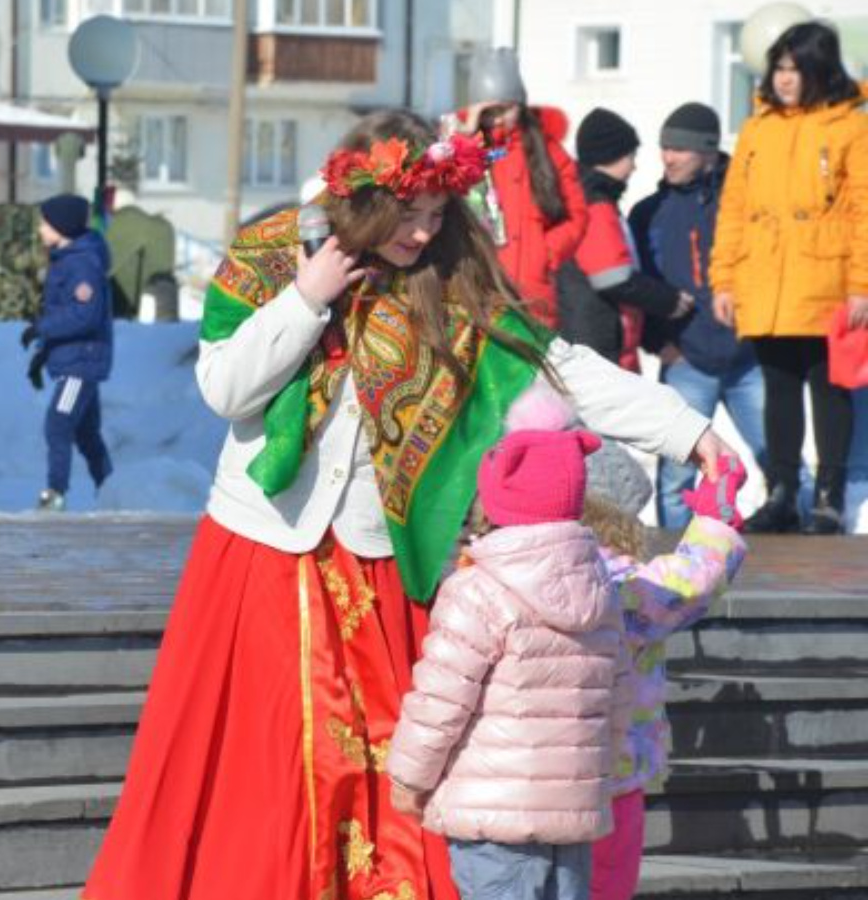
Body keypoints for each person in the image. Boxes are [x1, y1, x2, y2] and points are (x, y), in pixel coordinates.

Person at [80, 109, 734, 900]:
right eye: (409, 216)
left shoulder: (452, 282)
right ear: (364, 200)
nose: (422, 234)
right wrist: (306, 297)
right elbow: (227, 389)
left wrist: (687, 431)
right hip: (264, 551)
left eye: (435, 217)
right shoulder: (275, 251)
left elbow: (557, 365)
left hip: (385, 552)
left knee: (390, 760)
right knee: (271, 757)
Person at [389, 387, 630, 900]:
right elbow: (617, 700)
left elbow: (441, 701)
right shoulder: (600, 589)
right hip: (573, 812)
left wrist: (410, 778)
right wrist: (598, 778)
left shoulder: (478, 590)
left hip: (491, 814)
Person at [710, 21, 868, 534]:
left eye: (795, 68)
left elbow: (866, 210)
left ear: (818, 70)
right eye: (779, 67)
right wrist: (724, 280)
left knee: (830, 388)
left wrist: (861, 285)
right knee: (777, 387)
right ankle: (781, 492)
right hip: (765, 277)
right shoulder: (758, 128)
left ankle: (827, 496)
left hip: (827, 277)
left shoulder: (851, 126)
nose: (784, 78)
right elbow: (733, 207)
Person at [583, 452, 747, 900]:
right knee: (606, 884)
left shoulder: (503, 569)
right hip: (610, 774)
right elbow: (689, 583)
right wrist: (714, 522)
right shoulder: (619, 585)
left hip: (526, 778)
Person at [632, 102, 766, 529]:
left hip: (751, 358)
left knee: (778, 460)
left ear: (708, 152)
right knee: (676, 475)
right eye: (664, 147)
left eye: (679, 149)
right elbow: (640, 286)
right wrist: (659, 344)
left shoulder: (743, 202)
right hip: (685, 359)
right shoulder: (648, 212)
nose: (668, 157)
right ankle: (676, 574)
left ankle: (801, 561)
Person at [455, 48, 589, 328]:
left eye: (507, 109)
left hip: (532, 293)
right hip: (479, 289)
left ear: (522, 105)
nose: (499, 119)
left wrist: (546, 252)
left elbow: (576, 213)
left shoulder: (548, 150)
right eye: (490, 111)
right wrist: (465, 138)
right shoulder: (463, 149)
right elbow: (442, 193)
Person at [559, 108, 693, 370]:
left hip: (594, 341)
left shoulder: (584, 197)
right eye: (631, 156)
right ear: (612, 156)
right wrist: (671, 301)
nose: (634, 165)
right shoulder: (595, 205)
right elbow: (613, 277)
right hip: (599, 345)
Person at [22, 194, 114, 512]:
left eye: (44, 222)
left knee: (58, 424)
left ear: (61, 226)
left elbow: (85, 314)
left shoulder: (81, 263)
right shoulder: (68, 258)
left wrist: (42, 328)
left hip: (80, 364)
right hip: (75, 359)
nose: (39, 228)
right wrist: (42, 355)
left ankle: (55, 492)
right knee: (87, 434)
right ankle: (111, 489)